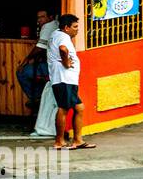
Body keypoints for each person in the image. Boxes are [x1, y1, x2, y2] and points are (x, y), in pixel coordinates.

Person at [47, 13, 94, 150]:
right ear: (66, 28)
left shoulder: (57, 34)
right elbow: (63, 49)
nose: (77, 30)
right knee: (64, 108)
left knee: (79, 108)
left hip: (67, 80)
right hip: (63, 79)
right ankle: (59, 141)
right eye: (75, 27)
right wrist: (66, 63)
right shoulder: (63, 37)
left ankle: (78, 140)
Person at [16, 9, 55, 110]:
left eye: (42, 17)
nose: (39, 20)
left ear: (50, 17)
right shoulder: (55, 24)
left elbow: (39, 48)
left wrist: (24, 62)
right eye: (38, 17)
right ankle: (41, 98)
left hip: (51, 69)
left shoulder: (48, 26)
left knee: (22, 72)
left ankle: (37, 98)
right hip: (54, 67)